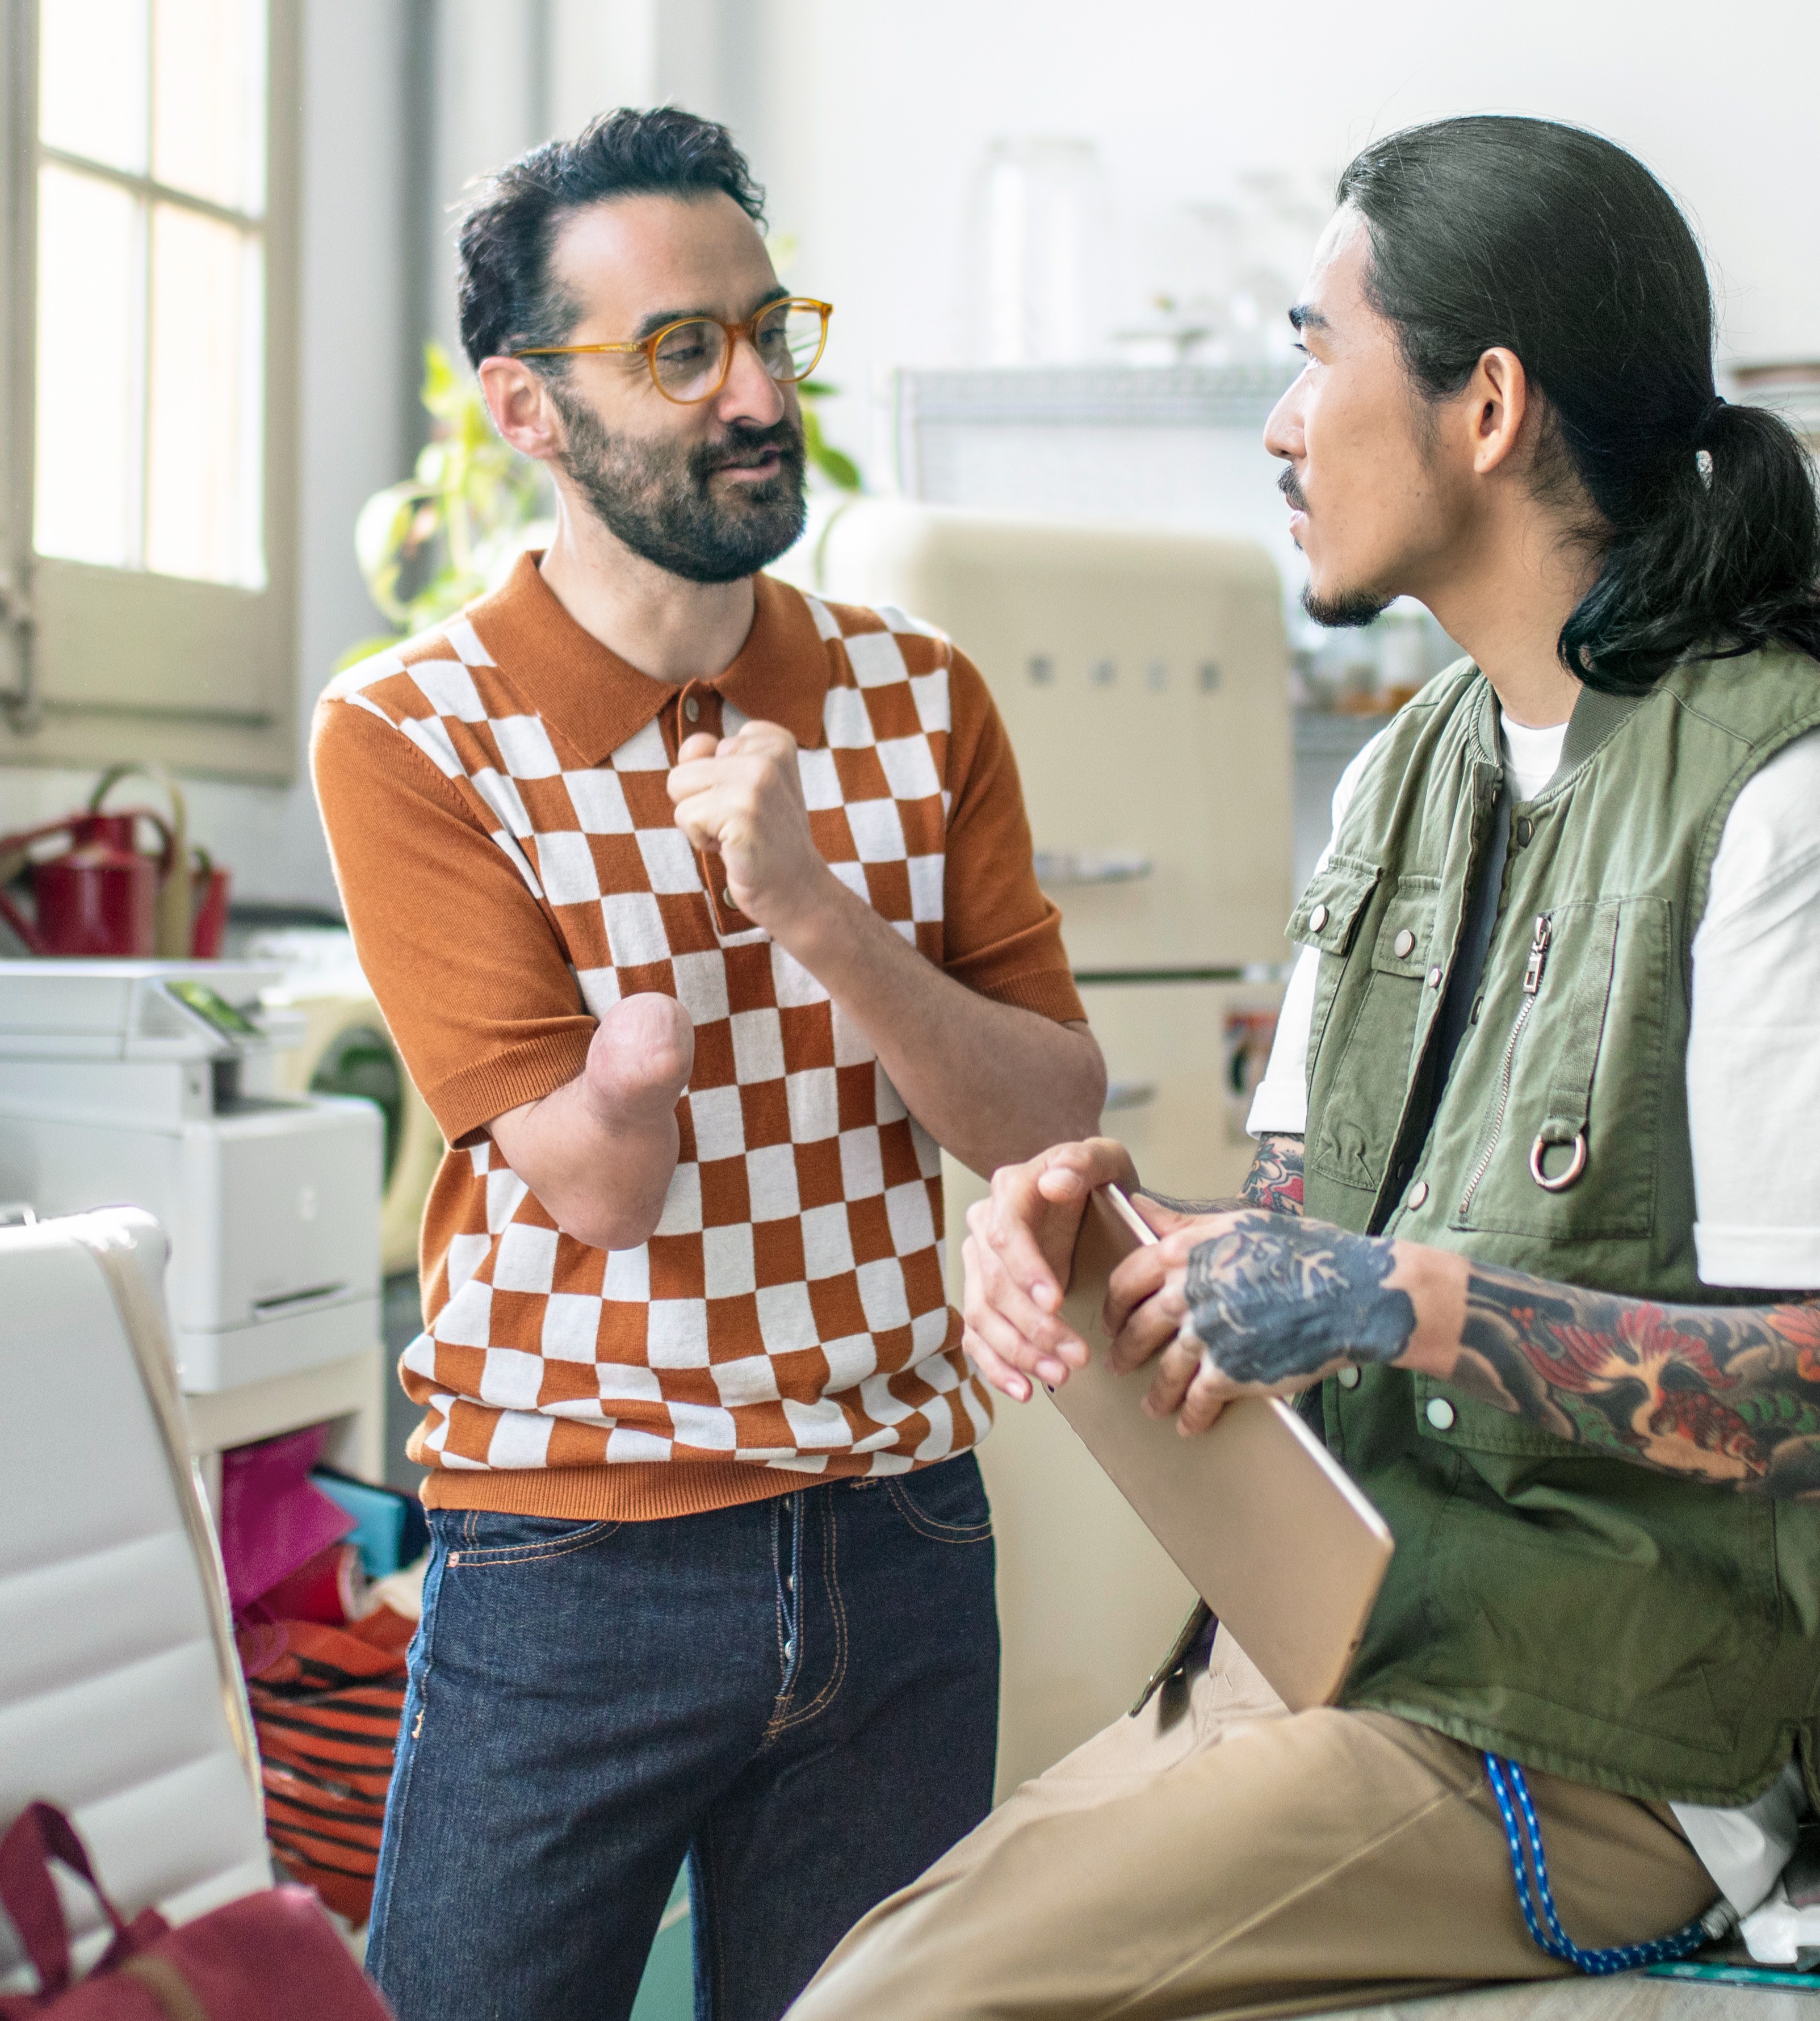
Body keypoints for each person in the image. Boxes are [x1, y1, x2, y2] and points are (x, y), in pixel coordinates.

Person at [787, 114, 1820, 2019]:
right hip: (1349, 1654)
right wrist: (1102, 1233)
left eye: (1314, 347)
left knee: (898, 2010)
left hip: (1601, 1753)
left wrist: (1408, 1303)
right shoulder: (1408, 774)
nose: (1280, 423)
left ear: (1486, 407)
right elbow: (1300, 1259)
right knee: (851, 1972)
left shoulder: (1797, 813)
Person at [313, 107, 1106, 2021]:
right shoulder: (413, 734)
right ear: (525, 409)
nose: (756, 394)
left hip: (897, 1532)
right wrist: (637, 1062)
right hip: (575, 1559)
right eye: (682, 350)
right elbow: (591, 1185)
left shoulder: (923, 699)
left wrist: (819, 917)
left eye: (769, 332)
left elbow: (1045, 1116)